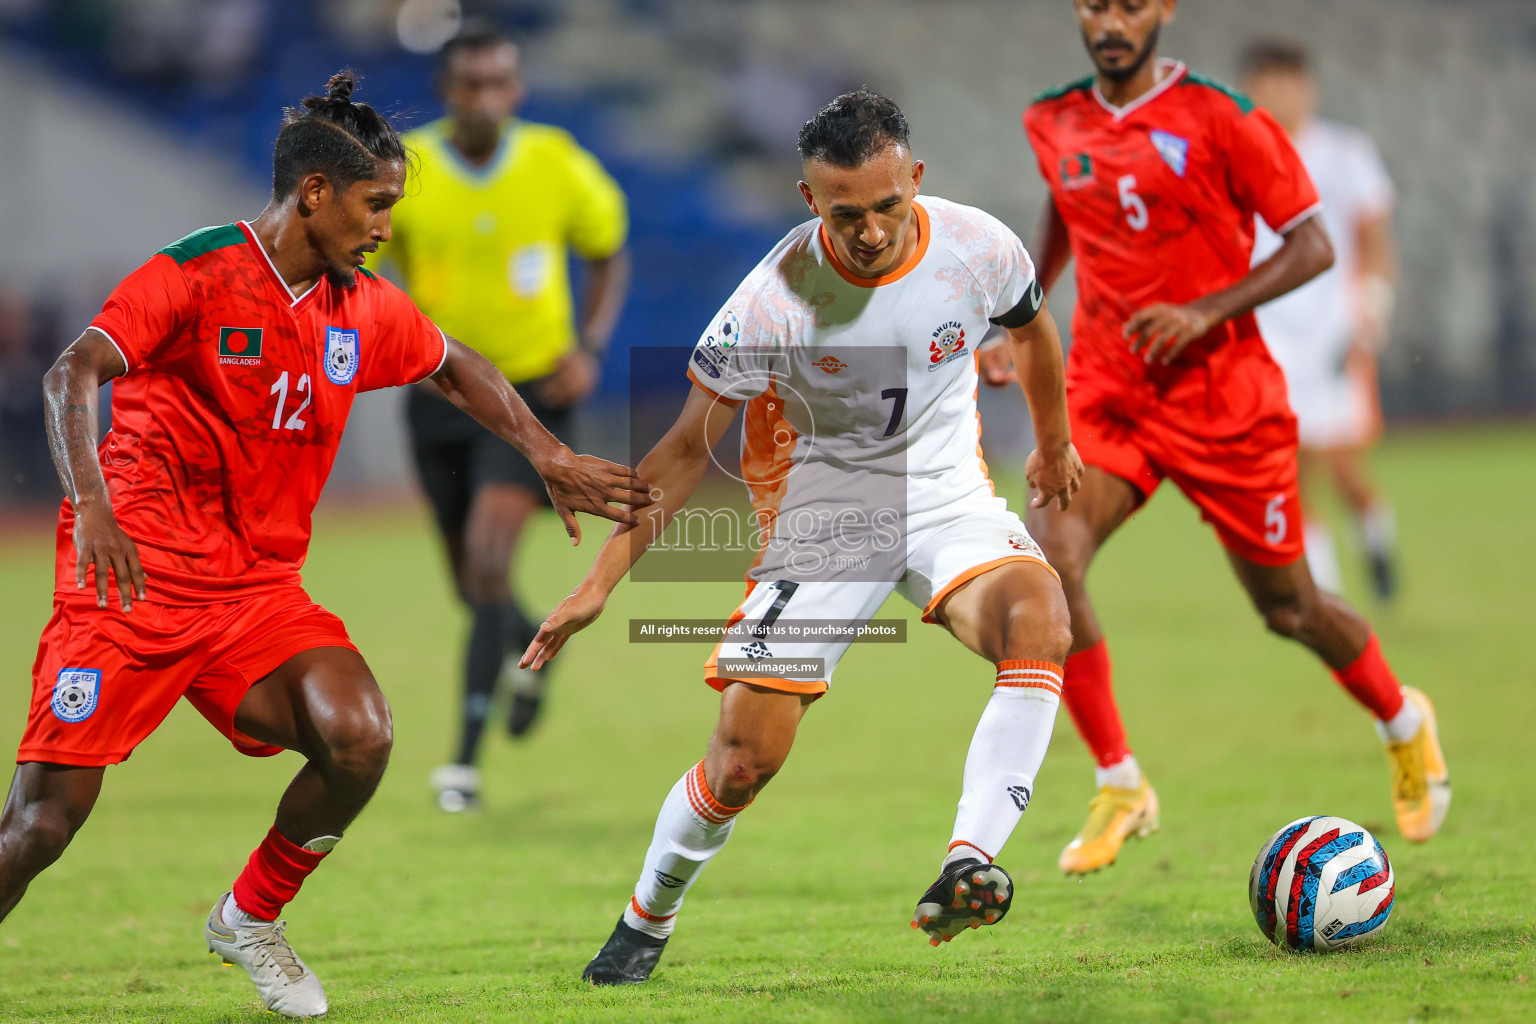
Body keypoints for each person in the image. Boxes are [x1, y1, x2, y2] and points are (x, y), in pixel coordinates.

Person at [0, 73, 647, 1019]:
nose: (387, 227)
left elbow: (455, 363)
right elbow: (73, 372)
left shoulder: (360, 305)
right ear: (314, 191)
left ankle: (249, 917)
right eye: (375, 203)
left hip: (256, 594)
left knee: (360, 738)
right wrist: (90, 504)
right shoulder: (194, 272)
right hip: (130, 584)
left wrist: (548, 454)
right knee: (43, 826)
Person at [522, 90, 1084, 985]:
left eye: (888, 207)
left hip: (944, 496)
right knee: (744, 761)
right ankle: (646, 918)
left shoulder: (980, 246)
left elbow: (1034, 329)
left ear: (917, 181)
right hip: (825, 519)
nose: (869, 232)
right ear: (808, 199)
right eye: (845, 213)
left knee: (1041, 618)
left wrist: (1053, 445)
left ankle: (970, 858)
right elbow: (677, 455)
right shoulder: (774, 301)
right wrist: (598, 585)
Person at [995, 0, 1448, 876]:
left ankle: (1402, 720)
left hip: (1223, 403)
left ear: (1163, 9)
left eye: (1130, 5)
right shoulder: (1051, 117)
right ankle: (1120, 780)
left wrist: (1207, 310)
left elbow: (1313, 245)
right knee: (1051, 558)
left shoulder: (1223, 117)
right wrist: (1020, 320)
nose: (1111, 22)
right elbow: (1065, 211)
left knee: (1290, 610)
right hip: (1108, 391)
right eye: (1095, 5)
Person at [380, 22, 632, 813]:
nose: (486, 98)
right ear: (447, 93)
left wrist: (588, 341)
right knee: (471, 582)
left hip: (533, 397)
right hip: (440, 395)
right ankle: (537, 646)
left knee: (489, 560)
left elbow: (608, 246)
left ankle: (461, 764)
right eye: (471, 85)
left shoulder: (555, 161)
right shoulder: (407, 171)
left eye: (499, 83)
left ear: (515, 89)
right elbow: (368, 263)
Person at [1241, 39, 1401, 601]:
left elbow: (1374, 236)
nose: (1279, 93)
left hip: (1332, 329)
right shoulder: (1240, 151)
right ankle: (1325, 592)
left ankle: (1377, 538)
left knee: (1342, 463)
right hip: (1270, 329)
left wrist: (1373, 309)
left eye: (1288, 81)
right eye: (1268, 81)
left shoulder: (1344, 152)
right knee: (1291, 459)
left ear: (1308, 87)